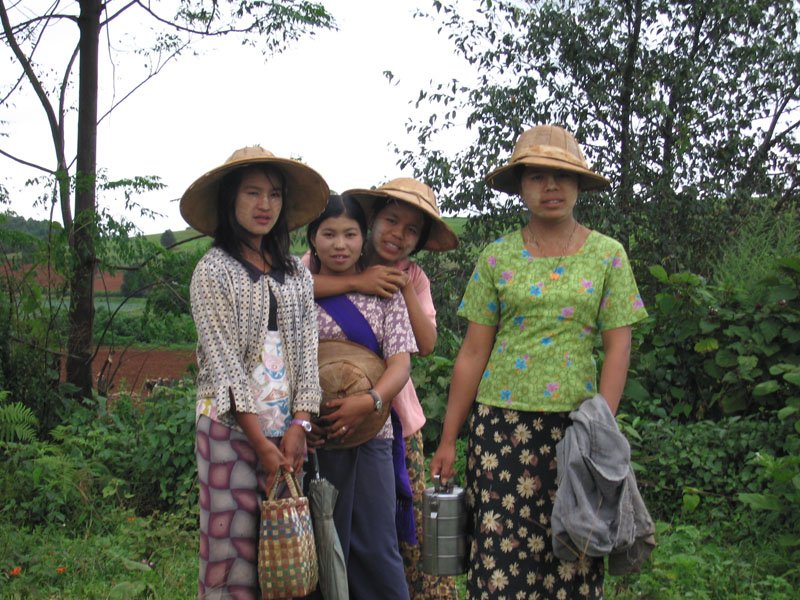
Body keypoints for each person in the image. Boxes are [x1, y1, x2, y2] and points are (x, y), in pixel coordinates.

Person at [430, 124, 649, 598]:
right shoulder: (497, 257)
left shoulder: (608, 256)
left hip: (576, 431)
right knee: (501, 559)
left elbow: (618, 347)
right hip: (500, 431)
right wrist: (449, 437)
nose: (551, 187)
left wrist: (602, 429)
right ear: (521, 187)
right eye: (537, 177)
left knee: (574, 549)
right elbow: (472, 352)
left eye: (562, 176)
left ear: (578, 185)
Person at [181, 145, 329, 599]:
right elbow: (225, 367)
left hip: (285, 431)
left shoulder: (296, 276)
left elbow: (307, 355)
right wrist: (260, 443)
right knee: (231, 553)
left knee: (284, 551)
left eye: (274, 194)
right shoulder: (213, 272)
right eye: (252, 193)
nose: (265, 205)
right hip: (229, 429)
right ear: (231, 200)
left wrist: (299, 425)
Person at [311, 178, 459, 599]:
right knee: (329, 526)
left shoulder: (411, 279)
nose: (399, 234)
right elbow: (293, 290)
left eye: (412, 229)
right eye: (392, 221)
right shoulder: (326, 256)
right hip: (321, 416)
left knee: (398, 530)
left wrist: (402, 285)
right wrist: (358, 282)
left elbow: (425, 345)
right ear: (372, 219)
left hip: (392, 419)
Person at [306, 194, 417, 600]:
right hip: (316, 439)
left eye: (350, 234)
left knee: (375, 544)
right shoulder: (298, 296)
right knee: (321, 543)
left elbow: (400, 366)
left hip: (374, 434)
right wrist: (301, 423)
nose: (340, 244)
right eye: (329, 234)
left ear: (362, 237)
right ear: (312, 240)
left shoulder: (385, 294)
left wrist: (368, 400)